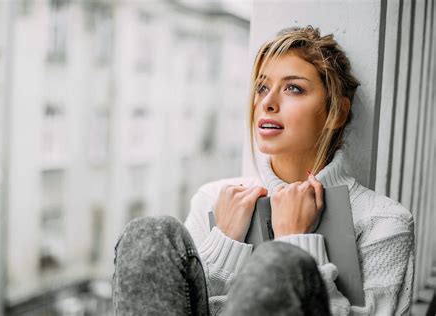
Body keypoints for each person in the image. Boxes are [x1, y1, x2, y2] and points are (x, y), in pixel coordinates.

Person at [113, 25, 415, 316]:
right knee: (149, 234)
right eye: (262, 87)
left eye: (294, 88)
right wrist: (224, 244)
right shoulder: (214, 200)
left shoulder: (383, 222)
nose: (267, 103)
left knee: (281, 261)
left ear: (337, 113)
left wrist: (295, 246)